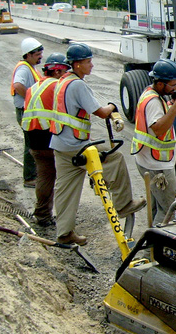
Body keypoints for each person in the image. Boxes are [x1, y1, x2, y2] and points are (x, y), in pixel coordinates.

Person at [50, 43, 146, 245]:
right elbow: (101, 112)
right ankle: (123, 204)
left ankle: (64, 233)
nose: (91, 65)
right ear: (77, 65)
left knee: (65, 190)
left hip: (60, 145)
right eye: (87, 62)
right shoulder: (77, 84)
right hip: (77, 146)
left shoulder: (62, 81)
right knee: (115, 158)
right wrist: (112, 106)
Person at [131, 60, 176, 226]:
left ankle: (153, 246)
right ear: (160, 83)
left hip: (149, 162)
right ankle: (157, 249)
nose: (175, 89)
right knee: (168, 210)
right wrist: (174, 109)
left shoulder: (151, 94)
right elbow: (158, 129)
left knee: (156, 207)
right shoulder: (153, 102)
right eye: (173, 85)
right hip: (157, 165)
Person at [21, 53, 70, 227]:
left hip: (32, 137)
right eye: (65, 71)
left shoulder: (34, 87)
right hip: (47, 136)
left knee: (44, 176)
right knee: (65, 178)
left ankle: (42, 214)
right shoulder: (57, 86)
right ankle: (62, 220)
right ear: (57, 71)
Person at [12, 37, 43, 188]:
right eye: (37, 55)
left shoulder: (30, 67)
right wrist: (30, 100)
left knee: (34, 142)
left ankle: (34, 174)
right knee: (31, 144)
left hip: (27, 110)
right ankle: (30, 178)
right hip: (25, 111)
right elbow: (18, 85)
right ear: (28, 55)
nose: (40, 57)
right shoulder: (23, 68)